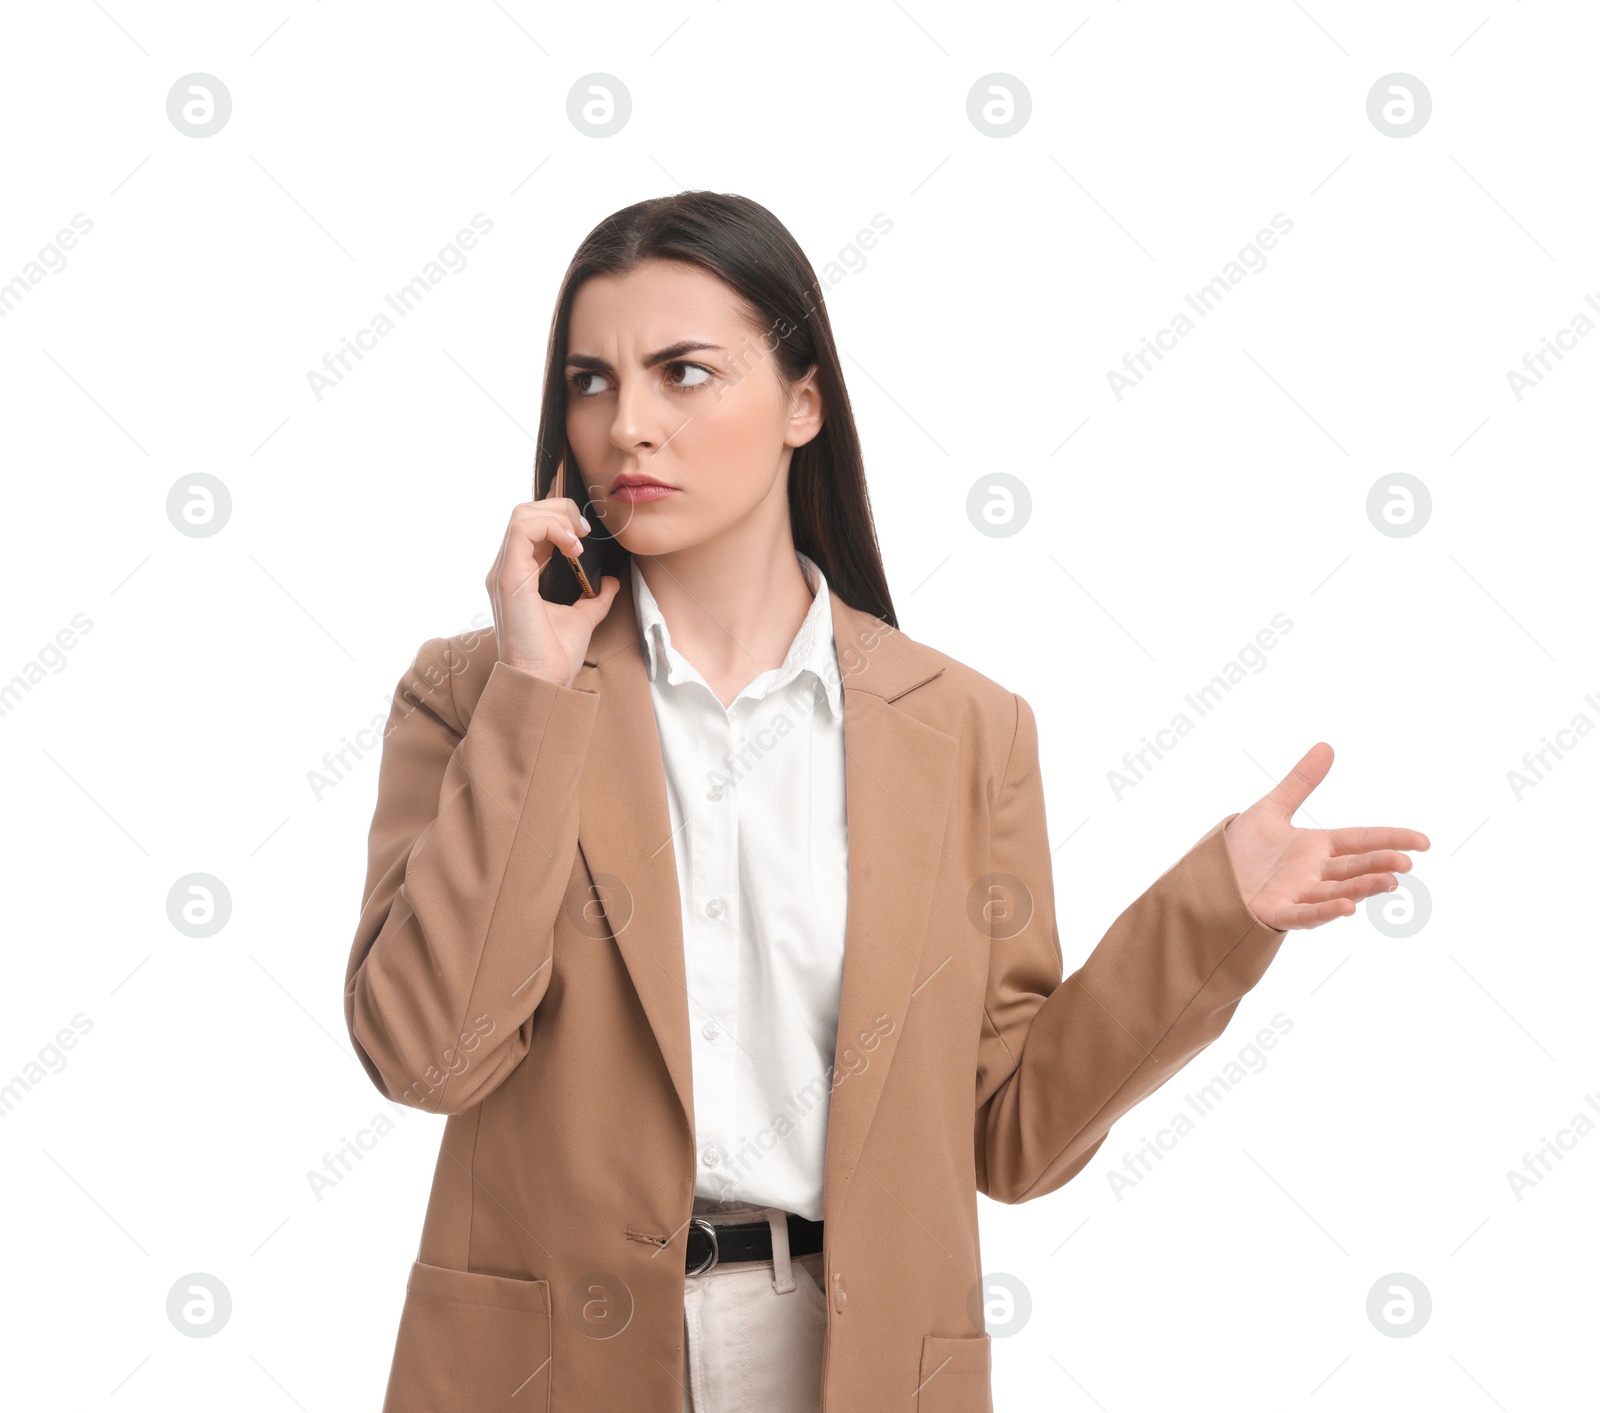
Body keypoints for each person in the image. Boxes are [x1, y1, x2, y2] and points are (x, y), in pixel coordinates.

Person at [343, 191, 1429, 1413]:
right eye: (591, 382)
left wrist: (1214, 910)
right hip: (547, 1364)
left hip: (848, 1364)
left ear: (804, 402)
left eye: (683, 373)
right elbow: (428, 1057)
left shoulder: (964, 730)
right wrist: (537, 687)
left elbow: (1011, 1133)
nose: (626, 426)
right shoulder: (476, 691)